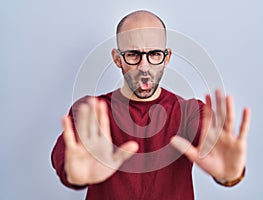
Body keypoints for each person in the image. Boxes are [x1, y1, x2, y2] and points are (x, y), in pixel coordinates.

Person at [51, 10, 251, 200]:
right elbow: (66, 156)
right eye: (133, 55)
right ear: (117, 58)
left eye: (154, 54)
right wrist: (73, 174)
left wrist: (229, 175)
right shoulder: (93, 111)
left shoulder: (190, 112)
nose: (144, 66)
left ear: (167, 58)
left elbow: (215, 148)